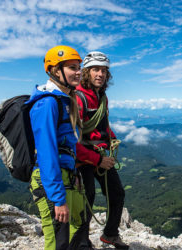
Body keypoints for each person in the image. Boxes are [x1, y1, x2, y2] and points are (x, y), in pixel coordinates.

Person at [27, 45, 92, 250]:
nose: (79, 72)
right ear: (56, 71)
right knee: (58, 241)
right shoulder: (47, 103)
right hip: (51, 181)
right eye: (72, 67)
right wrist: (57, 198)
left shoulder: (63, 99)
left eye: (79, 67)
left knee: (80, 223)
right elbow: (46, 153)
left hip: (67, 176)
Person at [76, 51, 128, 249]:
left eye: (104, 71)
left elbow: (101, 125)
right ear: (86, 72)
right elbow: (71, 140)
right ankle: (81, 242)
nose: (100, 74)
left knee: (117, 192)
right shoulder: (79, 98)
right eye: (96, 69)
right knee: (86, 199)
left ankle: (110, 234)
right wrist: (98, 160)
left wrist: (111, 138)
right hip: (82, 158)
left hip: (98, 154)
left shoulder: (101, 96)